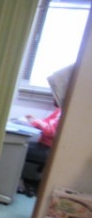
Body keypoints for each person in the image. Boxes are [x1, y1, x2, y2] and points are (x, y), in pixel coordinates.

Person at [20, 64, 73, 196]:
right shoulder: (59, 110)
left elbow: (51, 131)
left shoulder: (63, 111)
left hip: (48, 149)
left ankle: (18, 182)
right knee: (20, 144)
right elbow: (48, 124)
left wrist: (34, 121)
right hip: (44, 145)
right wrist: (34, 120)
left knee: (18, 148)